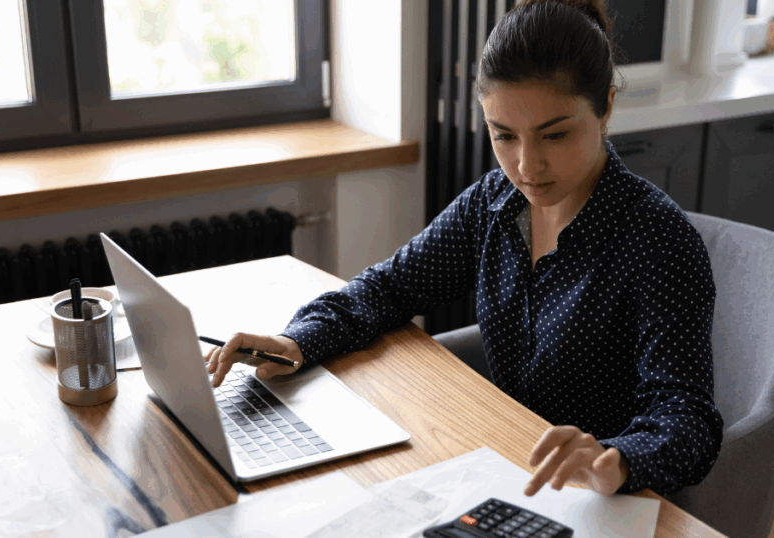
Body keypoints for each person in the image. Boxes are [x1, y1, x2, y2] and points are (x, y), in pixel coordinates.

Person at [205, 0, 723, 498]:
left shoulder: (657, 241)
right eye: (504, 136)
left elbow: (688, 416)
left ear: (606, 106)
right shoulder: (493, 205)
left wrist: (616, 458)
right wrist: (297, 341)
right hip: (503, 465)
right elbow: (388, 286)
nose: (527, 167)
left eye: (555, 135)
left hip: (603, 498)